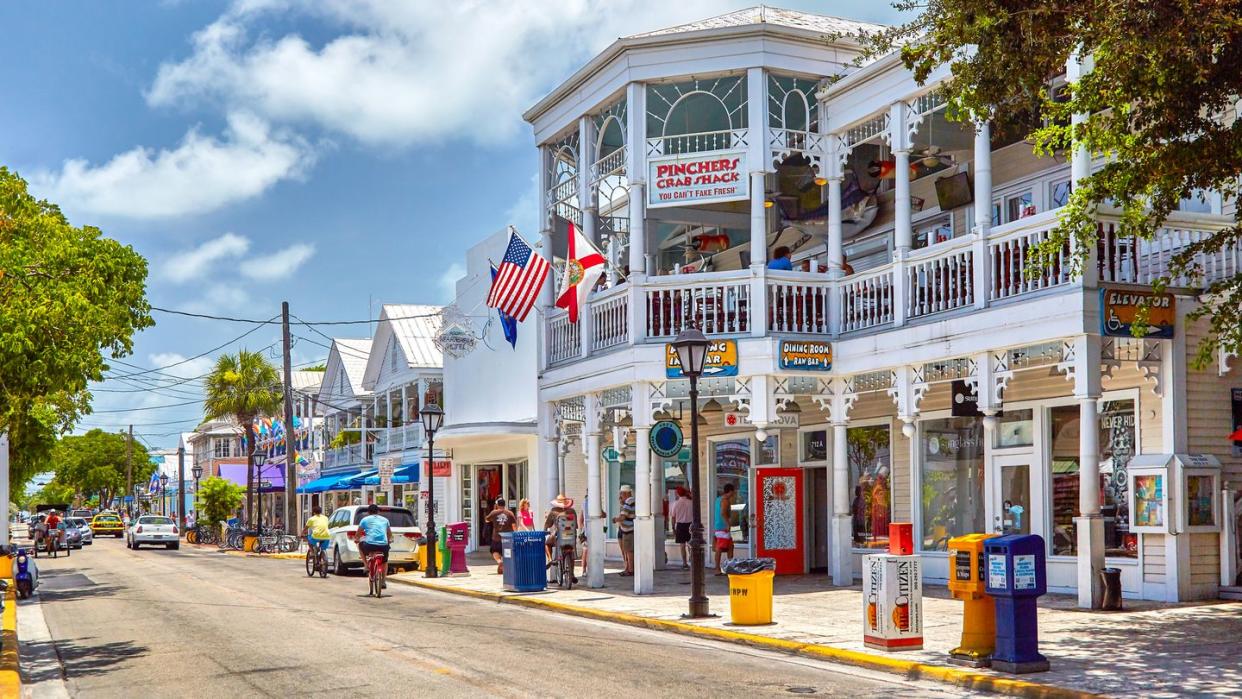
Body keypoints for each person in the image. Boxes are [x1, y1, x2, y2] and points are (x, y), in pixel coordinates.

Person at [543, 494, 578, 584]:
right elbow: (576, 526)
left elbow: (547, 525)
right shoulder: (572, 511)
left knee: (547, 543)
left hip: (558, 537)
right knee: (572, 551)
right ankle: (572, 573)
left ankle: (550, 559)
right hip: (571, 536)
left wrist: (545, 530)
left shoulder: (553, 511)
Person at [355, 504, 392, 587]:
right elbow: (389, 534)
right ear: (378, 511)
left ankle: (366, 565)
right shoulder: (385, 520)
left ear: (368, 512)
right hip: (383, 546)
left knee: (360, 546)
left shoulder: (364, 520)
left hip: (369, 545)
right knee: (385, 561)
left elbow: (358, 534)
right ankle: (383, 581)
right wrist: (389, 541)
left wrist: (357, 539)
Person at [483, 498, 516, 574]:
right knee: (507, 552)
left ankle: (499, 561)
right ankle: (505, 567)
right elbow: (514, 525)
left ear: (497, 505)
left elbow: (486, 520)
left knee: (494, 551)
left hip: (496, 537)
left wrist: (494, 510)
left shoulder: (494, 513)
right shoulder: (510, 513)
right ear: (504, 505)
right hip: (508, 537)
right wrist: (515, 534)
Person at [669, 486, 694, 570]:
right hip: (690, 524)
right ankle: (693, 561)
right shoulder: (691, 502)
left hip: (680, 525)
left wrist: (673, 528)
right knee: (691, 544)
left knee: (682, 545)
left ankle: (684, 563)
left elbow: (673, 517)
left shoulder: (676, 504)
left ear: (678, 494)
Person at [613, 486, 635, 577]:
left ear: (625, 493)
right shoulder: (632, 501)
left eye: (621, 494)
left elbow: (623, 517)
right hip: (627, 529)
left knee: (628, 551)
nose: (620, 496)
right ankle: (628, 568)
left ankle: (630, 570)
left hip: (628, 530)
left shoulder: (628, 502)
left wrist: (615, 519)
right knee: (627, 550)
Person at [714, 484, 735, 575]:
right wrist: (728, 524)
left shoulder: (718, 499)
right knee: (720, 547)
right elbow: (723, 513)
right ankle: (718, 568)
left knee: (730, 546)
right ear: (730, 491)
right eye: (734, 491)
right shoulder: (725, 500)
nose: (734, 493)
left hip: (718, 526)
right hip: (723, 528)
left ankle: (729, 567)